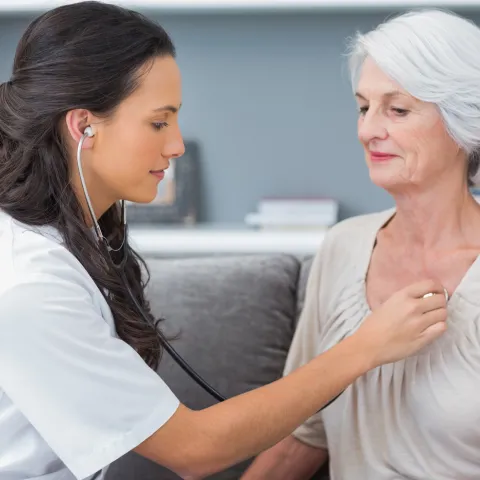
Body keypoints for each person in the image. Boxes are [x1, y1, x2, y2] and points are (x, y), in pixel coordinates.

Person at [0, 3, 448, 480]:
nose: (176, 144)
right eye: (158, 122)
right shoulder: (31, 284)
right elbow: (196, 450)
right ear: (83, 126)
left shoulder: (68, 246)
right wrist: (366, 346)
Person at [242, 8, 480, 480]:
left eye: (397, 109)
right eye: (363, 106)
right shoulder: (343, 247)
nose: (368, 130)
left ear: (462, 122)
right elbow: (303, 436)